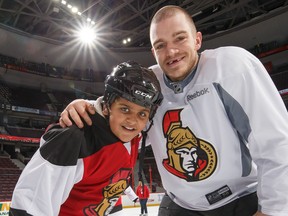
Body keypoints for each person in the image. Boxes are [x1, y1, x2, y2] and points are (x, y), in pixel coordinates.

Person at [59, 5, 288, 216]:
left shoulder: (231, 67)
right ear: (154, 52)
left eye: (180, 38)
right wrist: (87, 106)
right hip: (180, 206)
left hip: (239, 201)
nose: (171, 51)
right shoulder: (149, 83)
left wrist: (273, 210)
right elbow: (119, 114)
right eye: (161, 45)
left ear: (198, 40)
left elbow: (277, 142)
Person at [9, 61, 163, 216]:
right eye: (125, 109)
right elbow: (29, 205)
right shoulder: (72, 138)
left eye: (142, 113)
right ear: (107, 105)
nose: (132, 121)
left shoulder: (134, 136)